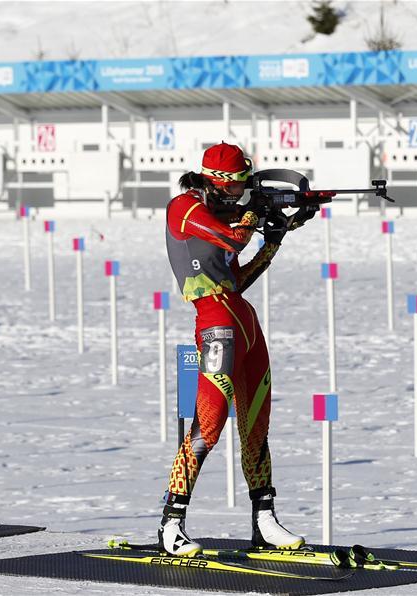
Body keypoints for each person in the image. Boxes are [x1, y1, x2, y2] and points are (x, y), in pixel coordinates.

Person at [160, 142, 313, 556]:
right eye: (237, 186)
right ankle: (171, 523)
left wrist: (274, 240)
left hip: (244, 322)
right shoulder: (185, 208)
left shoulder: (223, 210)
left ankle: (265, 521)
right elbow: (231, 239)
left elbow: (236, 281)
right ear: (217, 182)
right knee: (207, 427)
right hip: (215, 327)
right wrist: (253, 215)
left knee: (257, 427)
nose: (241, 192)